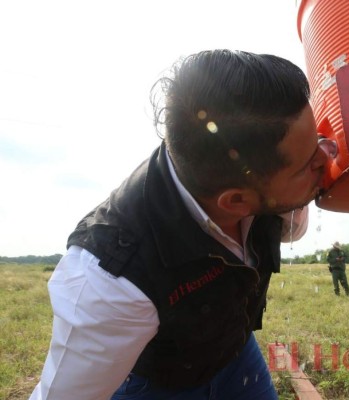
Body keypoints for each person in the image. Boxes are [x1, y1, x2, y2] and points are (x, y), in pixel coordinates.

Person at [29, 50, 330, 400]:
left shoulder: (243, 166)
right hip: (153, 384)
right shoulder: (108, 281)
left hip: (235, 353)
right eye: (310, 162)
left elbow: (291, 228)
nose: (329, 155)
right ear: (236, 202)